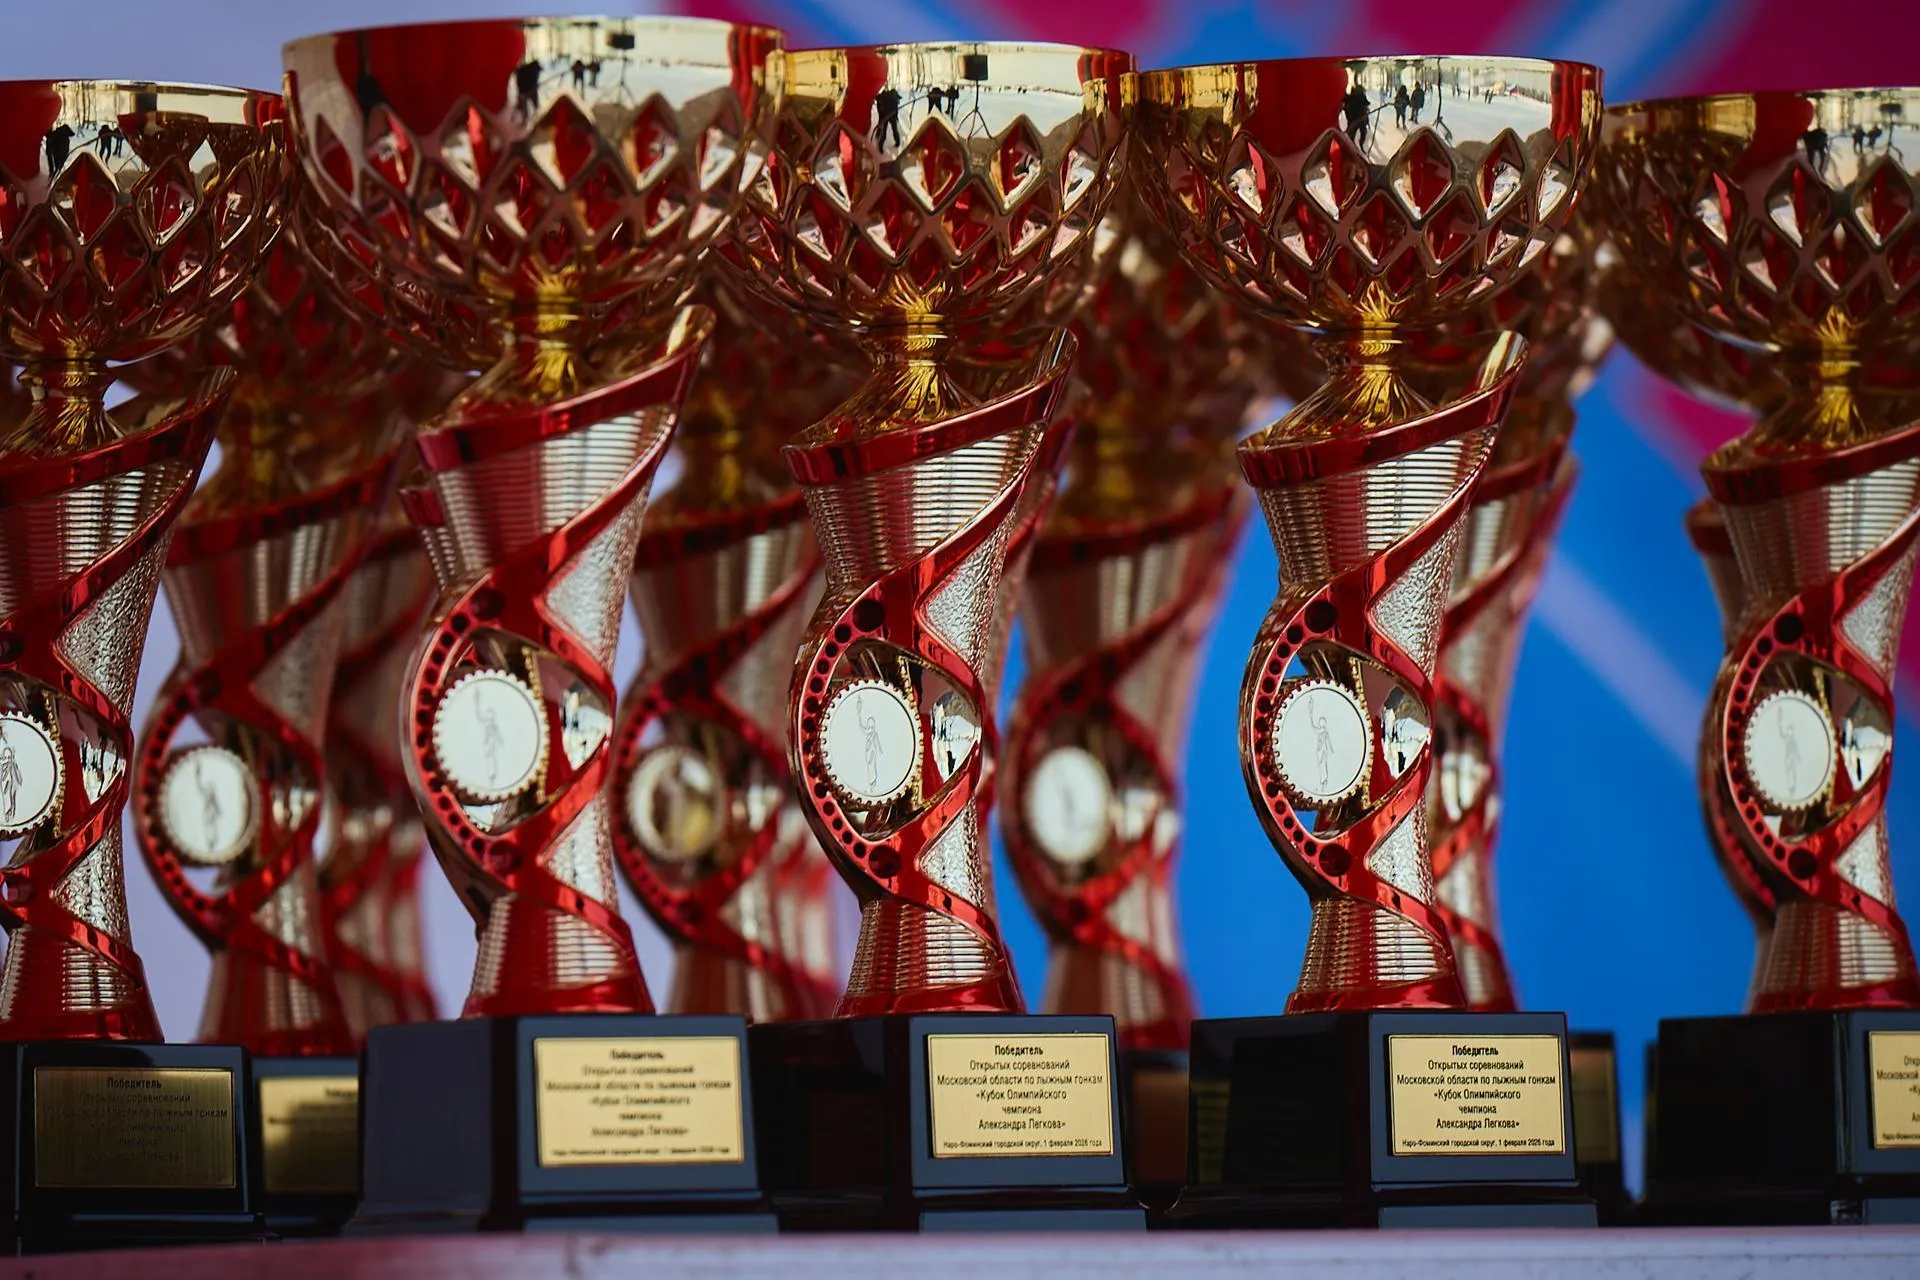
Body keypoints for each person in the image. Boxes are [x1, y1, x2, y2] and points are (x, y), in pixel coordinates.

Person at [0, 732, 20, 825]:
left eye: (9, 757)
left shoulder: (12, 765)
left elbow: (17, 777)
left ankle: (9, 811)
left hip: (10, 781)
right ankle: (7, 812)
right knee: (5, 794)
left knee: (9, 794)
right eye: (5, 758)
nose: (7, 760)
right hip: (5, 781)